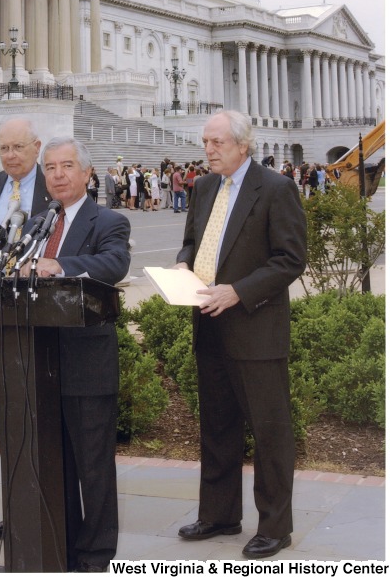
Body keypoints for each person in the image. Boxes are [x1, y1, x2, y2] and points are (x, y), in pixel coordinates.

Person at [174, 110, 306, 560]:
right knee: (216, 427)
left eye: (217, 143)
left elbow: (290, 259)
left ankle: (275, 527)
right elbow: (193, 240)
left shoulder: (275, 188)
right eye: (206, 142)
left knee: (269, 432)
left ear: (242, 145)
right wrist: (181, 263)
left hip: (256, 328)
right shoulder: (204, 186)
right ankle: (219, 514)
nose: (208, 150)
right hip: (208, 325)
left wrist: (238, 292)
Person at [25, 136, 131, 571]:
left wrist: (61, 266)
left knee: (93, 465)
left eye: (67, 166)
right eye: (50, 168)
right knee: (55, 463)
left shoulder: (108, 220)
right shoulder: (37, 223)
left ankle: (96, 553)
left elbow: (113, 264)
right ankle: (61, 543)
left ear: (87, 173)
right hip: (39, 361)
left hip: (86, 362)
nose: (58, 175)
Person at [0, 116, 50, 541]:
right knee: (9, 417)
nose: (10, 156)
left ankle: (48, 502)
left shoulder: (52, 184)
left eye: (18, 147)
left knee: (41, 416)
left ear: (36, 147)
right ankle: (15, 506)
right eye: (3, 149)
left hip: (39, 318)